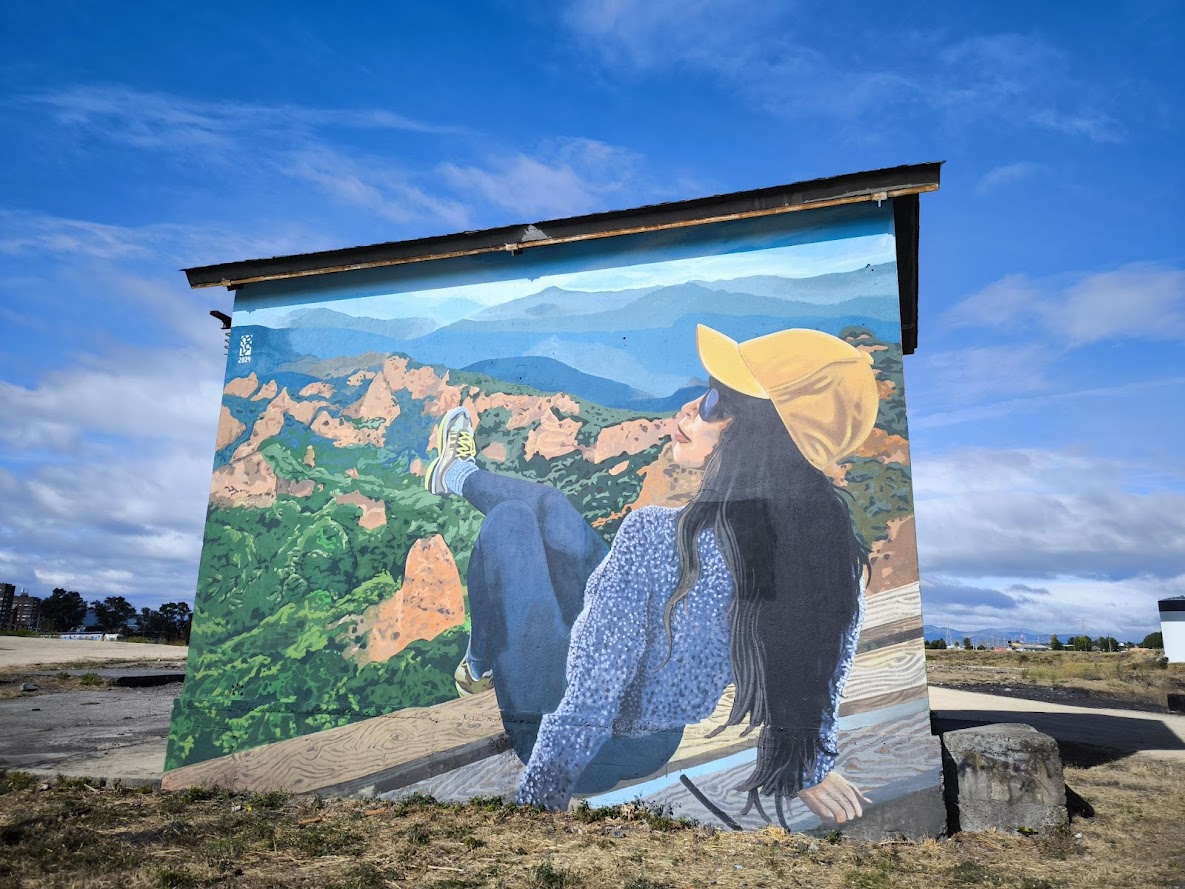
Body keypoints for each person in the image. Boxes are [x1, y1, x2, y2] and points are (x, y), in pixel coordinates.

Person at [422, 324, 878, 827]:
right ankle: (456, 476)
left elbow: (590, 701)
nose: (689, 409)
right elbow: (822, 675)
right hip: (657, 739)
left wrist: (539, 806)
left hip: (569, 733)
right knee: (551, 508)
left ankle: (478, 662)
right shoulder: (829, 561)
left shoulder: (656, 538)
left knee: (511, 523)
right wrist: (810, 767)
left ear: (760, 438)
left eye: (714, 404)